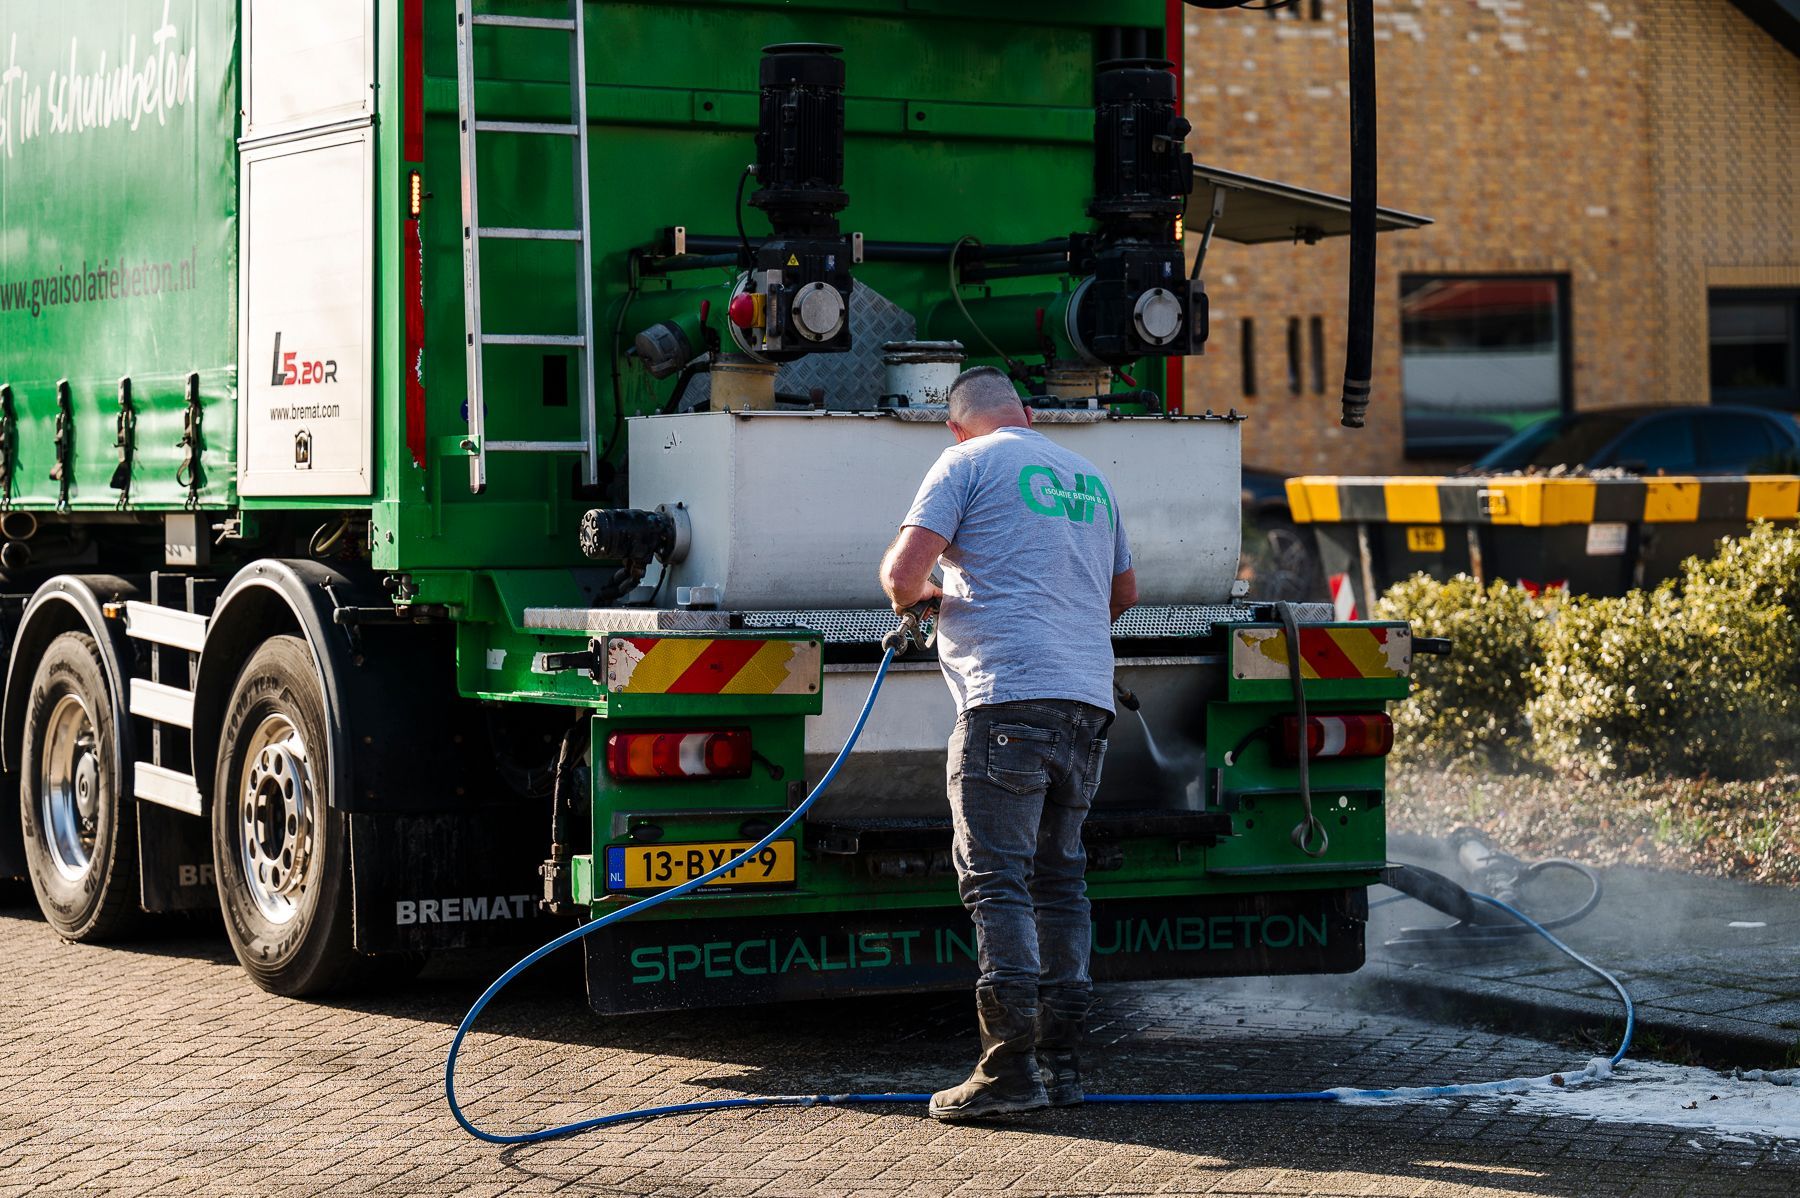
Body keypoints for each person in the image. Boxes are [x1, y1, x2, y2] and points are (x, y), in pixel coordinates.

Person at [878, 366, 1138, 1121]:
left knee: (997, 884)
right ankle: (1060, 1067)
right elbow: (1124, 595)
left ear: (956, 425)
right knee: (1060, 883)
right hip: (1086, 704)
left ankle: (1008, 1072)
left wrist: (925, 599)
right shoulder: (1086, 473)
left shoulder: (964, 462)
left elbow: (902, 575)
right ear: (1025, 413)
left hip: (1004, 702)